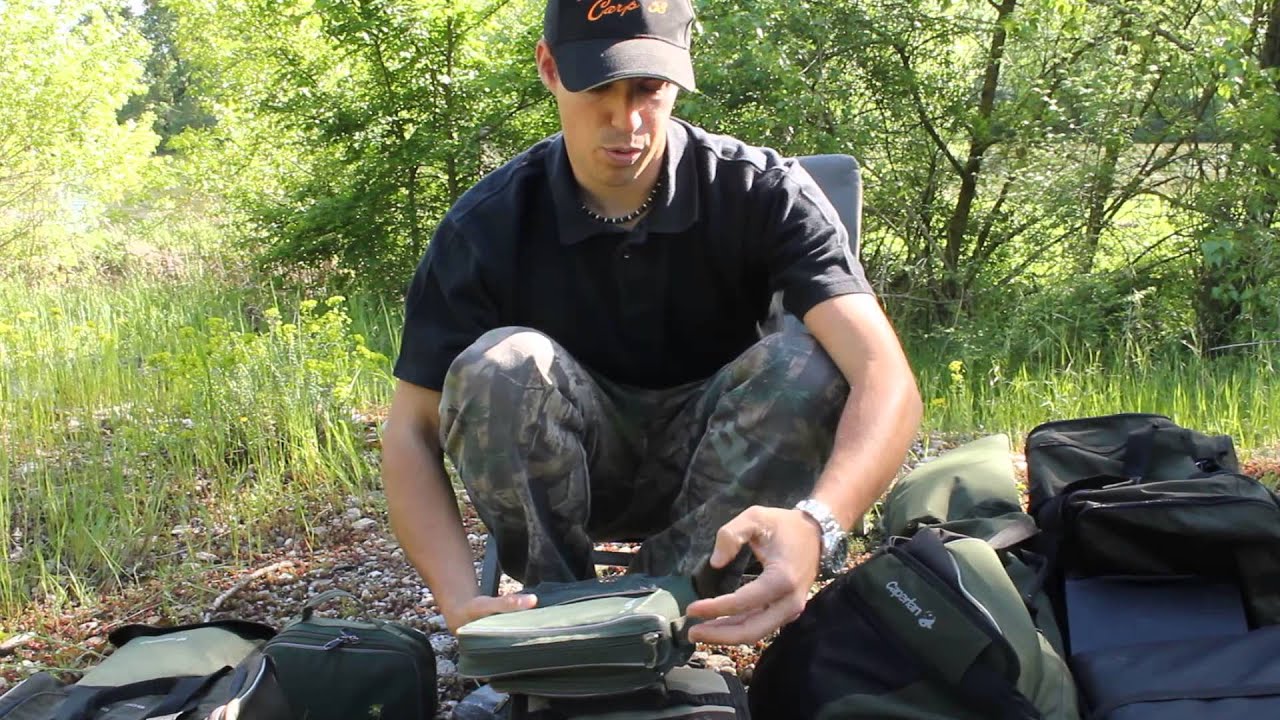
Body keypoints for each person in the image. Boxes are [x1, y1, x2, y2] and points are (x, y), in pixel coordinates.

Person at [381, 0, 922, 646]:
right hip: (567, 471)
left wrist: (817, 524)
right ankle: (556, 622)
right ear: (549, 69)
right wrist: (457, 597)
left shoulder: (763, 193)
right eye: (599, 88)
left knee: (805, 366)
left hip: (722, 475)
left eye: (649, 88)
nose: (626, 119)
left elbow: (886, 378)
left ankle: (673, 611)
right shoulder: (487, 227)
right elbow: (410, 431)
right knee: (497, 368)